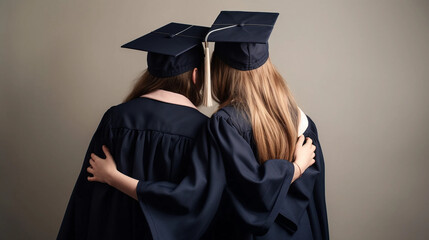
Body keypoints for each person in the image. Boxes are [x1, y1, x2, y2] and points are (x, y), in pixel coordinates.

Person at [87, 11, 326, 240]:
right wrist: (296, 167)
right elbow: (310, 200)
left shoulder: (223, 124)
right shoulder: (300, 120)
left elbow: (207, 199)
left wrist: (113, 177)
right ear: (195, 75)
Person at [57, 22, 213, 240]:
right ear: (196, 75)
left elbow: (86, 193)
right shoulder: (204, 129)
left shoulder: (116, 118)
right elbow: (199, 207)